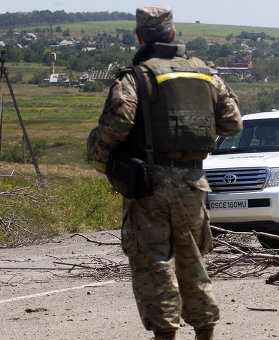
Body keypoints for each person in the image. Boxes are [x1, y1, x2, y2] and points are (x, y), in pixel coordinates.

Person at [87, 6, 242, 340]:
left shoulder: (137, 76)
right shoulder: (206, 75)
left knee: (153, 264)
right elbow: (233, 123)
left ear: (141, 37)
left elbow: (115, 126)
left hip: (149, 186)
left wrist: (100, 159)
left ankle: (165, 335)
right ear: (173, 35)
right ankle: (205, 333)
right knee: (193, 263)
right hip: (192, 184)